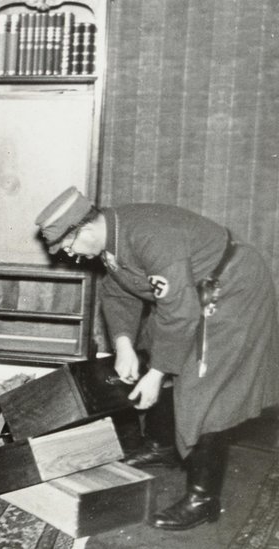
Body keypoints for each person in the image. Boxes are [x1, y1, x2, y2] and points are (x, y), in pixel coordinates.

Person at [35, 186, 279, 530]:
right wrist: (123, 346)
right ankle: (163, 445)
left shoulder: (150, 237)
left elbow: (179, 315)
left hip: (231, 288)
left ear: (85, 230)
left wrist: (158, 373)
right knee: (152, 351)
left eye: (70, 247)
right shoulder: (111, 236)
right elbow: (117, 290)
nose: (73, 255)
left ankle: (203, 499)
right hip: (190, 292)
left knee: (200, 388)